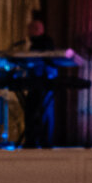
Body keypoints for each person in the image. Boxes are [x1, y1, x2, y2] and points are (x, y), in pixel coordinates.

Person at [17, 17, 56, 149]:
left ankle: (39, 141)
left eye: (30, 29)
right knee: (32, 110)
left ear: (37, 30)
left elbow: (45, 61)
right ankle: (32, 140)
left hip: (42, 83)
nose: (28, 32)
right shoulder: (33, 43)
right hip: (36, 82)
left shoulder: (45, 43)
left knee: (40, 111)